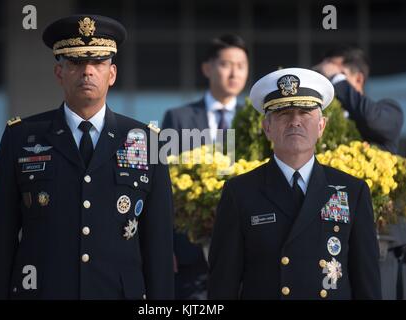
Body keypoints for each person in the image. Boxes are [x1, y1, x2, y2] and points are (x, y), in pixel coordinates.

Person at [0, 14, 174, 300]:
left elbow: (158, 244)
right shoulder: (21, 138)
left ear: (112, 74)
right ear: (59, 73)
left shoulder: (147, 140)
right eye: (76, 63)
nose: (87, 72)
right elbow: (0, 235)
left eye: (98, 63)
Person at [208, 68, 382, 299]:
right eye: (284, 114)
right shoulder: (240, 192)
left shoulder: (352, 191)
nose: (295, 122)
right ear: (267, 128)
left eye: (304, 113)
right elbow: (223, 285)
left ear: (321, 126)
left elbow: (366, 282)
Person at [161, 34, 249, 299]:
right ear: (207, 68)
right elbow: (161, 184)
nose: (234, 72)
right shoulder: (178, 117)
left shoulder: (257, 120)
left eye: (241, 66)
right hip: (189, 250)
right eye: (226, 64)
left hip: (245, 249)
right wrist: (164, 246)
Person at [314, 45, 403, 154]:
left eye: (340, 74)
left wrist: (336, 78)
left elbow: (371, 119)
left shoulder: (389, 110)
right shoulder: (321, 116)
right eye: (327, 77)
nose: (330, 83)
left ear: (358, 79)